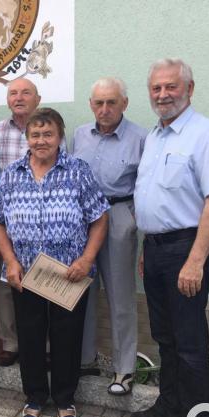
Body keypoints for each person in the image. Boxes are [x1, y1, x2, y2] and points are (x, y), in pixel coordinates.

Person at [131, 58, 209, 417]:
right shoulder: (155, 136)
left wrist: (195, 261)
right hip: (157, 250)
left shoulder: (205, 134)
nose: (162, 94)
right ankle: (172, 405)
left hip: (186, 251)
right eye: (156, 88)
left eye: (170, 86)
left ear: (189, 89)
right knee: (165, 337)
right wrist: (147, 246)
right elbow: (154, 198)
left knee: (189, 342)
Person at [0, 108, 109, 417]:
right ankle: (35, 397)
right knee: (30, 337)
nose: (41, 140)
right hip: (26, 273)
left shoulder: (78, 171)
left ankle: (65, 398)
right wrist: (10, 261)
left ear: (59, 137)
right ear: (27, 138)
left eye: (48, 134)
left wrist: (87, 259)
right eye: (35, 134)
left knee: (67, 337)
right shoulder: (11, 174)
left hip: (69, 274)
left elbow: (99, 218)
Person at [70, 77, 147, 394]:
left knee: (120, 295)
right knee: (82, 292)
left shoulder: (141, 137)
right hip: (83, 219)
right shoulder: (79, 135)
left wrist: (134, 222)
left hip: (118, 216)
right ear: (91, 105)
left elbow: (145, 186)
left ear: (124, 103)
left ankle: (124, 370)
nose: (104, 109)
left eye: (111, 102)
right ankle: (85, 359)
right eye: (99, 102)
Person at [0, 77, 44, 366]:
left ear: (38, 99)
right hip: (6, 222)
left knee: (42, 281)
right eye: (13, 93)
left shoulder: (49, 129)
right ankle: (10, 343)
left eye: (25, 93)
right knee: (7, 283)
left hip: (42, 221)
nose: (19, 98)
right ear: (7, 100)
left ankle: (43, 345)